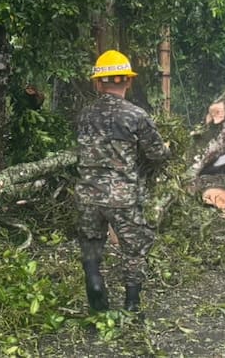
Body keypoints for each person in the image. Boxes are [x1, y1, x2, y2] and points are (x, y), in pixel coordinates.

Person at [75, 50, 170, 314]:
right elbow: (157, 154)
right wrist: (167, 149)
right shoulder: (136, 116)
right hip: (122, 197)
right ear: (128, 82)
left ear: (97, 83)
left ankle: (94, 281)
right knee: (134, 249)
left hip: (87, 194)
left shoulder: (84, 115)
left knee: (91, 242)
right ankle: (131, 303)